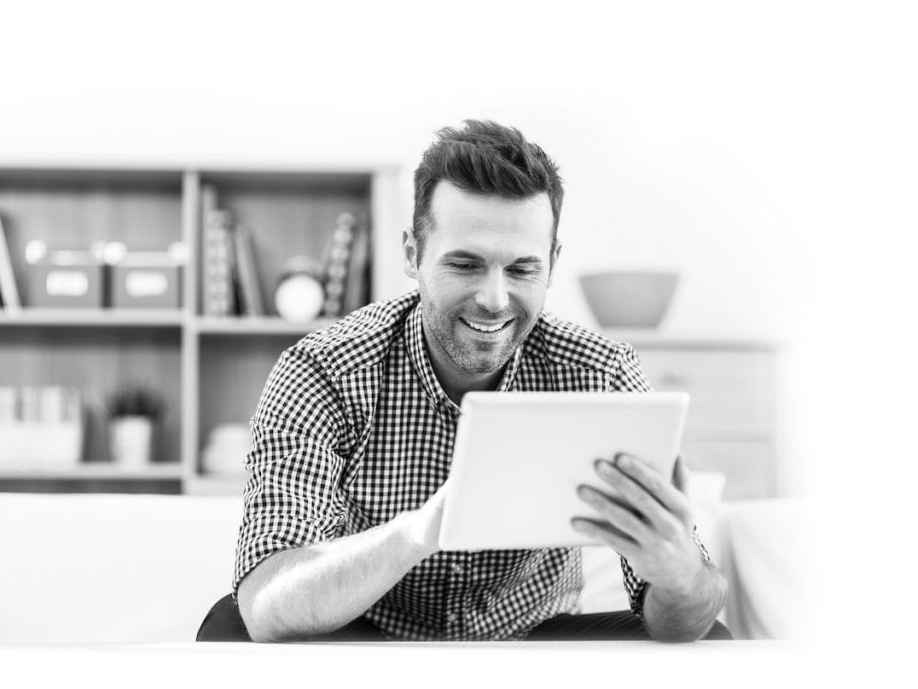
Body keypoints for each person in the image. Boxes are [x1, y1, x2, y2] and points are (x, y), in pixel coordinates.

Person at [197, 120, 729, 642]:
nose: (495, 299)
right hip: (366, 639)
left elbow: (682, 617)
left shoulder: (601, 374)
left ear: (552, 262)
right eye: (466, 264)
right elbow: (264, 605)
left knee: (711, 640)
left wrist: (681, 572)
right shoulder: (324, 370)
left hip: (534, 638)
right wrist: (419, 531)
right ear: (413, 254)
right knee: (229, 629)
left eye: (522, 269)